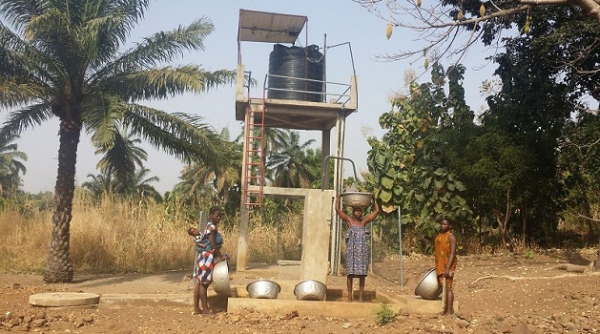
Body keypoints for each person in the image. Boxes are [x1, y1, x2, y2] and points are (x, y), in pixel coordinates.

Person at [335, 193, 380, 302]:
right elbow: (337, 210)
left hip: (362, 252)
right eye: (356, 211)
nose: (358, 213)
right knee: (350, 274)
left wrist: (374, 199)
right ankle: (350, 296)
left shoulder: (364, 222)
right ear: (353, 212)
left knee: (362, 275)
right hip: (351, 252)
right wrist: (338, 197)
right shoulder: (349, 221)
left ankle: (360, 295)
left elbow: (377, 211)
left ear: (362, 212)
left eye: (359, 211)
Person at [188, 206, 225, 315]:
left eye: (220, 216)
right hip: (208, 257)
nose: (219, 218)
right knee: (204, 284)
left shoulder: (207, 226)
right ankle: (205, 310)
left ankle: (196, 308)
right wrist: (220, 256)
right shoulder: (211, 228)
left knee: (199, 283)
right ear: (210, 215)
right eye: (217, 215)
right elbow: (213, 243)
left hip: (202, 256)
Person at [434, 217, 457, 315]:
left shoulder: (451, 237)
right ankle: (447, 310)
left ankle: (449, 311)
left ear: (450, 226)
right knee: (444, 286)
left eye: (445, 224)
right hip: (440, 263)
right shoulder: (440, 236)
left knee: (448, 287)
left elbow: (452, 253)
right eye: (442, 224)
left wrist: (447, 267)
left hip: (448, 264)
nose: (442, 225)